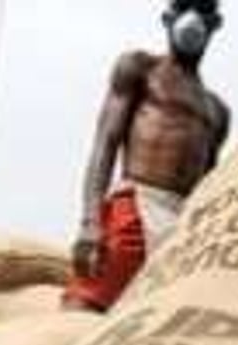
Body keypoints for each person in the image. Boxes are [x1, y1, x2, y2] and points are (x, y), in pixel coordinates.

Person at [64, 0, 229, 313]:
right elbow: (105, 143)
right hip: (135, 209)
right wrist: (90, 222)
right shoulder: (140, 68)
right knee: (82, 309)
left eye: (203, 7)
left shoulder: (217, 111)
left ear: (215, 23)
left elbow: (209, 186)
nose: (192, 16)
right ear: (168, 17)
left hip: (181, 227)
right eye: (184, 5)